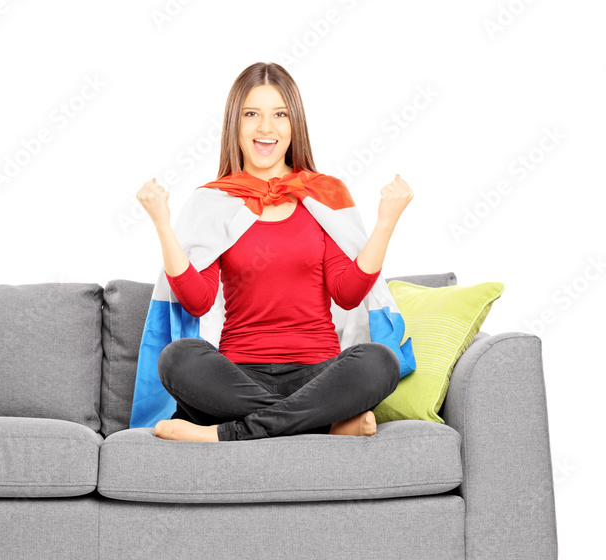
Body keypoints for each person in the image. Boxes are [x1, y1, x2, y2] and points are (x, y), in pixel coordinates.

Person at [134, 62, 413, 443]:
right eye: (252, 114)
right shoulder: (214, 201)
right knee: (177, 359)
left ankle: (224, 435)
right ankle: (321, 425)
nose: (266, 128)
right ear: (236, 124)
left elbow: (348, 294)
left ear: (294, 124)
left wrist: (385, 224)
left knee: (379, 361)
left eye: (279, 114)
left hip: (318, 375)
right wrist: (163, 226)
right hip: (238, 377)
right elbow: (197, 302)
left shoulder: (323, 196)